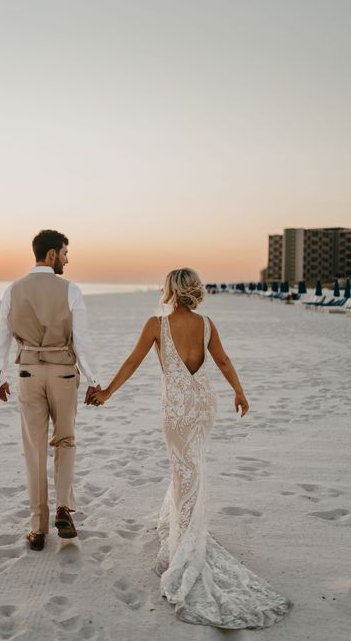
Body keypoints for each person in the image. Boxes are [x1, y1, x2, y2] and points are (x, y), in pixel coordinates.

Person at [89, 268, 292, 628]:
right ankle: (186, 524)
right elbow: (224, 361)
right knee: (191, 466)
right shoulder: (207, 324)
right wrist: (240, 392)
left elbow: (133, 362)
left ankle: (186, 538)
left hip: (177, 409)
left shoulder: (156, 324)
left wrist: (107, 393)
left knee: (183, 467)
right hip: (203, 405)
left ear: (170, 290)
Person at [0, 230, 100, 551]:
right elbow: (82, 340)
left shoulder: (13, 290)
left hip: (27, 372)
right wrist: (94, 380)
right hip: (64, 374)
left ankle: (38, 528)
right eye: (65, 253)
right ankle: (64, 508)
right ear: (51, 255)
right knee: (65, 440)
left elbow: (2, 337)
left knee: (35, 449)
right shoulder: (71, 291)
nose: (67, 259)